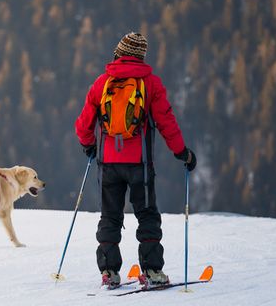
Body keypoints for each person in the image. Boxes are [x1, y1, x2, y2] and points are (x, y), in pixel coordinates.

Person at [74, 32, 196, 287]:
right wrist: (182, 152)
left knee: (110, 216)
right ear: (140, 56)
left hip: (108, 164)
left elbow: (84, 123)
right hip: (139, 165)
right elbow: (166, 121)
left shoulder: (102, 83)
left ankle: (109, 271)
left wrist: (88, 145)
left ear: (118, 53)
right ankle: (152, 271)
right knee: (147, 214)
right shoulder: (150, 83)